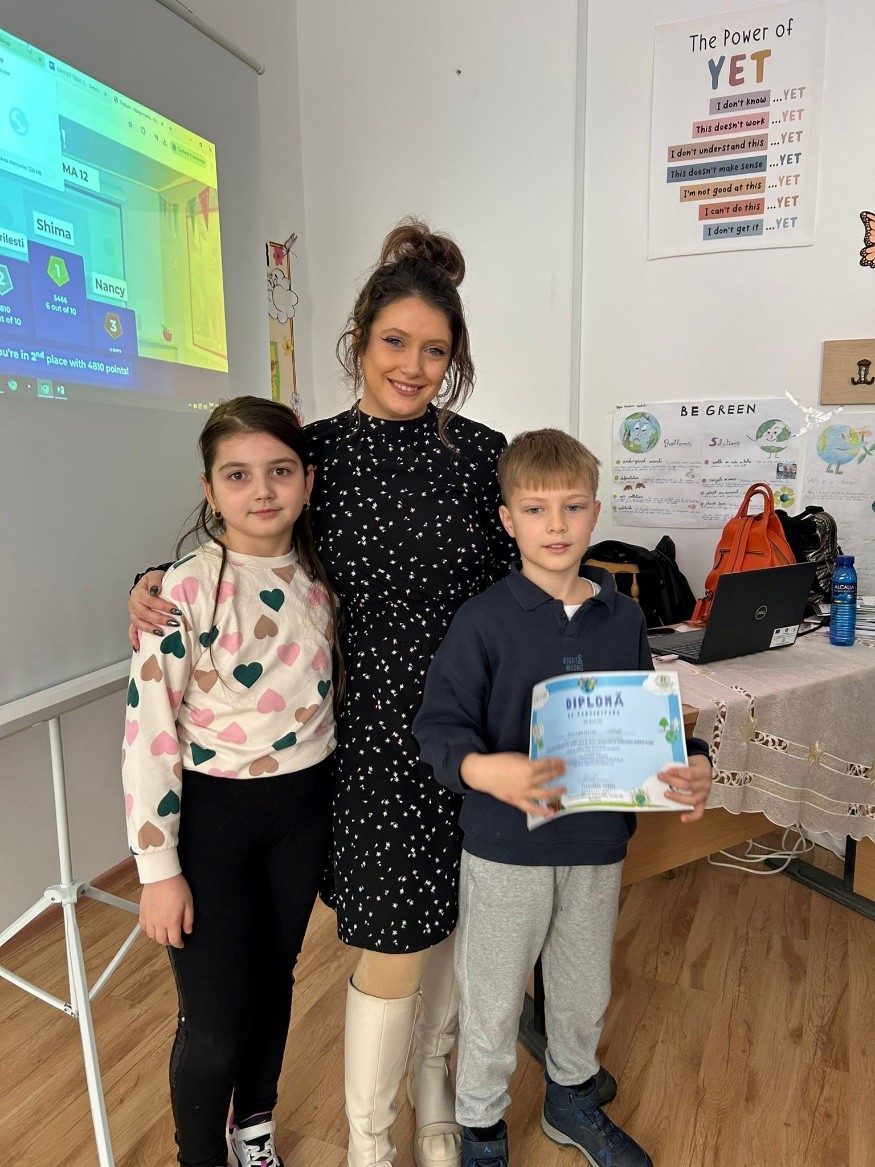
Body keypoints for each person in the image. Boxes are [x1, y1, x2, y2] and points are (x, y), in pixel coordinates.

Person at [128, 220, 515, 1167]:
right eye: (395, 342)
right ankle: (369, 1140)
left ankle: (434, 1098)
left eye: (435, 350)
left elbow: (519, 590)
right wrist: (150, 582)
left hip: (470, 731)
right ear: (358, 339)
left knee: (460, 925)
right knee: (390, 933)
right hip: (364, 743)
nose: (413, 366)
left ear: (456, 358)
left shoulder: (483, 455)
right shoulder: (320, 453)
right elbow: (245, 538)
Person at [412, 429, 713, 1167]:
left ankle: (570, 1097)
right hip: (505, 847)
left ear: (595, 512)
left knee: (582, 985)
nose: (556, 524)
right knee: (491, 995)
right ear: (507, 519)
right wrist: (486, 771)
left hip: (595, 841)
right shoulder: (483, 619)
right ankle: (482, 1125)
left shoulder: (624, 616)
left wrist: (691, 762)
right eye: (535, 508)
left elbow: (646, 718)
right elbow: (438, 726)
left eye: (573, 506)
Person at [123, 397, 339, 1167]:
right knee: (214, 1019)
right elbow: (147, 734)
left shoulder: (322, 577)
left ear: (307, 480)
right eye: (238, 474)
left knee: (274, 982)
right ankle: (199, 1156)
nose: (262, 490)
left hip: (302, 812)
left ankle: (254, 1126)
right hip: (213, 822)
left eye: (280, 470)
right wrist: (157, 868)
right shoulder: (179, 592)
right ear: (209, 489)